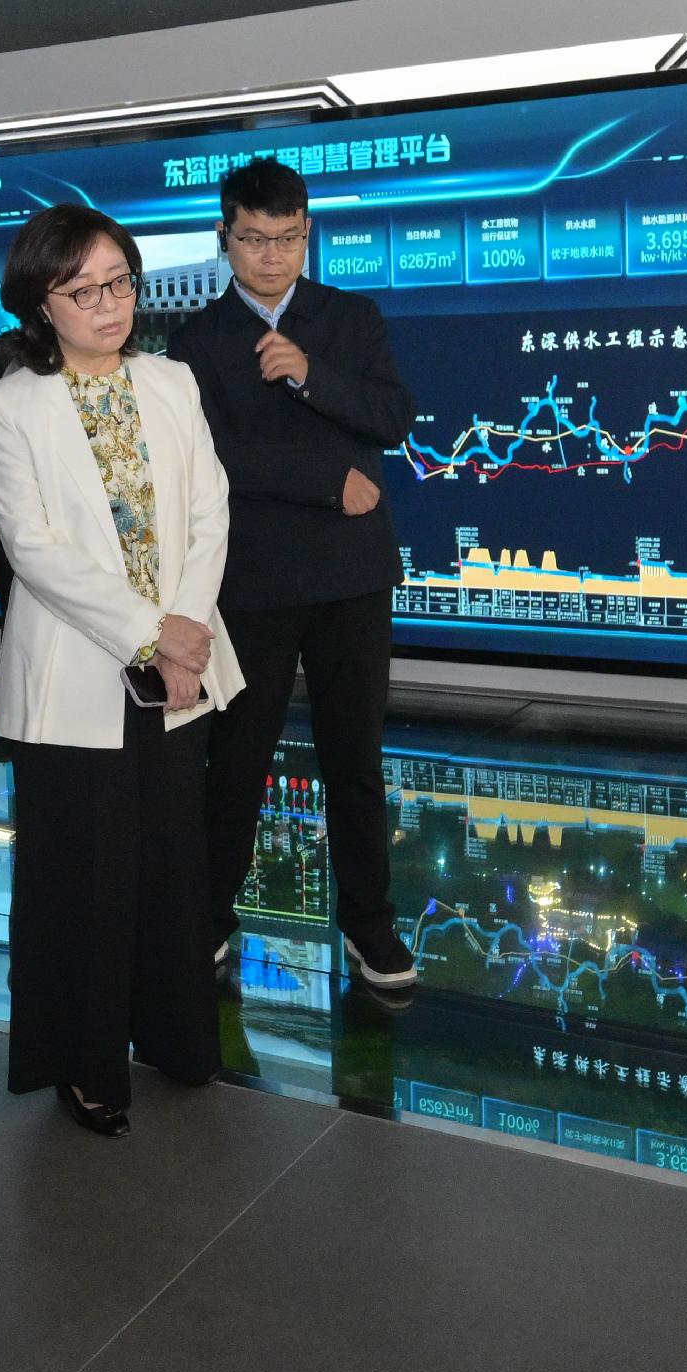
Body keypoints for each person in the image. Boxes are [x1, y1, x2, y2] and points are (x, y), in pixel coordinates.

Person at [0, 205, 242, 1133]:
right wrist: (150, 634)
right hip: (75, 675)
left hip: (184, 662)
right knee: (80, 880)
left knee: (174, 866)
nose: (109, 304)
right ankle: (85, 1066)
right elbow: (35, 549)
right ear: (41, 302)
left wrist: (188, 629)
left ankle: (176, 1039)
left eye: (120, 281)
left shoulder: (172, 380)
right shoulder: (14, 403)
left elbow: (211, 509)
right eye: (84, 289)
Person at [168, 158, 418, 994]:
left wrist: (309, 374)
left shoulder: (350, 318)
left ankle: (369, 924)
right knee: (238, 757)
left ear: (307, 234)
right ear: (224, 237)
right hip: (256, 578)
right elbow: (211, 455)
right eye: (253, 239)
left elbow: (391, 415)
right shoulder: (197, 339)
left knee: (356, 757)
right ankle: (208, 913)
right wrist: (321, 480)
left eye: (287, 238)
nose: (271, 257)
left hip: (352, 575)